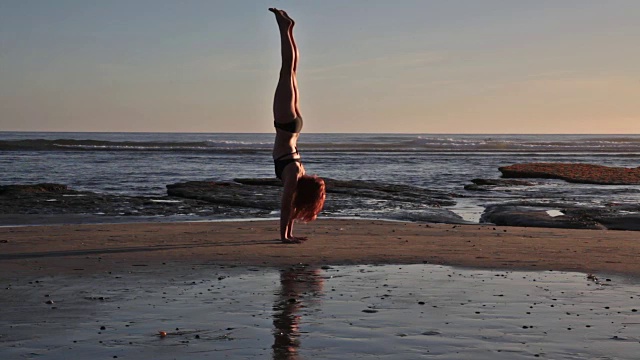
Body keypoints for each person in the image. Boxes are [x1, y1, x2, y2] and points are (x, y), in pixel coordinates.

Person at [269, 8, 325, 244]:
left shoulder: (298, 171)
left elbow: (289, 205)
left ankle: (288, 29)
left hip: (294, 127)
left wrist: (289, 234)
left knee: (291, 71)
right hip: (285, 124)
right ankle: (284, 29)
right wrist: (284, 237)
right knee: (286, 69)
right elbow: (285, 206)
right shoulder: (293, 174)